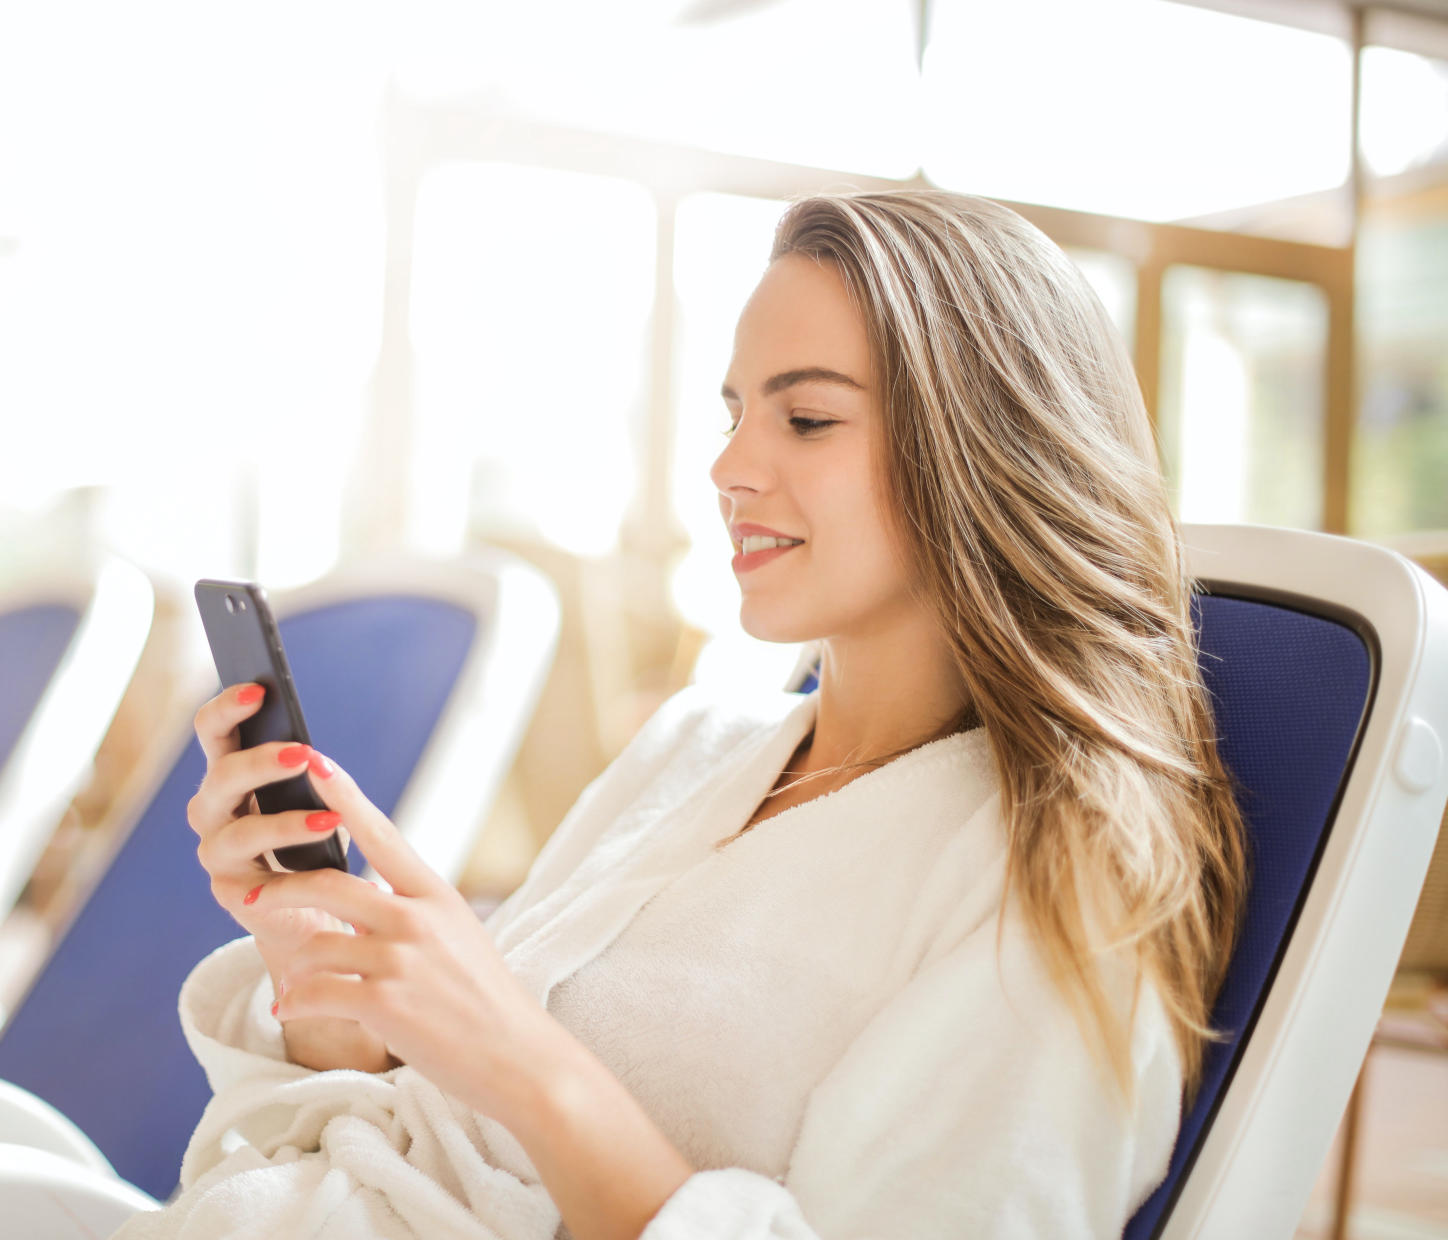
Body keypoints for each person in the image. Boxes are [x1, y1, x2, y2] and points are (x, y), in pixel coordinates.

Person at [114, 189, 1249, 1240]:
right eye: (734, 410)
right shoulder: (694, 748)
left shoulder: (1059, 888)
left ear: (987, 450)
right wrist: (338, 982)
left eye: (806, 418)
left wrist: (520, 1058)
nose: (730, 465)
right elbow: (426, 1132)